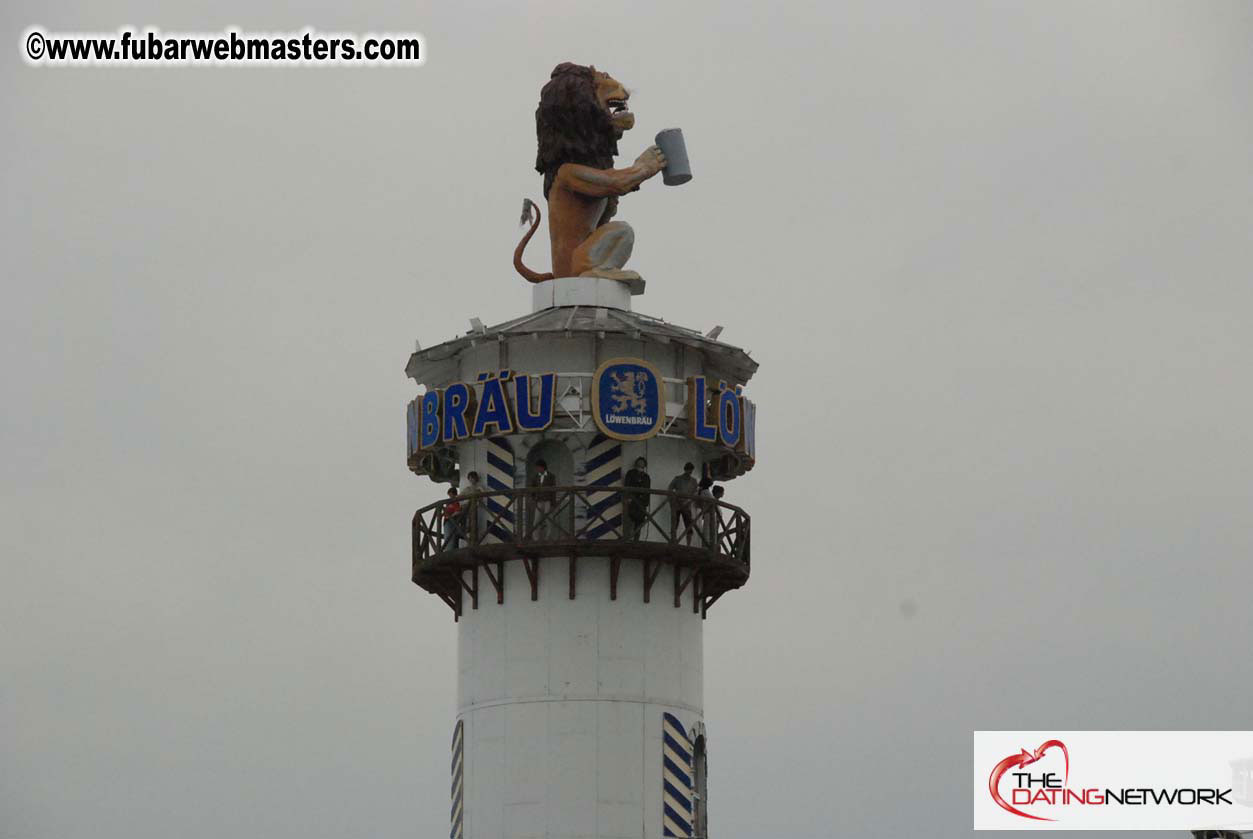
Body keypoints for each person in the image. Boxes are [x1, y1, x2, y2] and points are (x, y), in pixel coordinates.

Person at [667, 462, 700, 545]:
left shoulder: (694, 481)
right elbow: (670, 489)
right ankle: (673, 541)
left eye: (691, 470)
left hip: (687, 506)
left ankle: (688, 544)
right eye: (688, 470)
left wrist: (688, 500)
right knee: (675, 523)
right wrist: (672, 500)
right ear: (685, 469)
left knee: (689, 525)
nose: (689, 472)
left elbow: (695, 493)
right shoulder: (677, 479)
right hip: (677, 505)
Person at [528, 459, 558, 540]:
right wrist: (533, 498)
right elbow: (532, 489)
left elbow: (553, 491)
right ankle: (535, 538)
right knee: (536, 520)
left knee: (549, 520)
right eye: (536, 468)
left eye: (538, 467)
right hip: (539, 501)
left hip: (548, 501)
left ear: (543, 467)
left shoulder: (551, 476)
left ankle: (549, 537)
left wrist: (553, 504)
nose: (537, 469)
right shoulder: (535, 477)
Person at [623, 456, 651, 540]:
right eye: (639, 462)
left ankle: (636, 541)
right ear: (636, 463)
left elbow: (647, 489)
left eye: (642, 463)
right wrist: (628, 498)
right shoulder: (630, 473)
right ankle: (627, 540)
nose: (641, 464)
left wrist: (646, 502)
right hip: (631, 501)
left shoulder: (646, 476)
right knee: (629, 521)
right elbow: (627, 485)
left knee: (639, 523)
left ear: (645, 465)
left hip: (641, 503)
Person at [461, 471, 483, 543]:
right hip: (467, 508)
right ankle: (466, 532)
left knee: (473, 521)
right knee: (467, 520)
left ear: (475, 478)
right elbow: (460, 496)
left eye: (472, 478)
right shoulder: (467, 489)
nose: (471, 479)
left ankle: (472, 536)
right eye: (469, 478)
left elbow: (482, 496)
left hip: (474, 508)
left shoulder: (479, 488)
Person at [695, 475, 714, 548]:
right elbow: (708, 501)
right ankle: (706, 545)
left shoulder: (703, 491)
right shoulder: (705, 492)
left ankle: (707, 545)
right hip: (708, 512)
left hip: (707, 512)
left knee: (707, 529)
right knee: (707, 529)